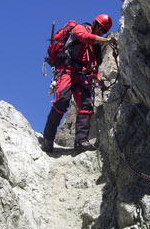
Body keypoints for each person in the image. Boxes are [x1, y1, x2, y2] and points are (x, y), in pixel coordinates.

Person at [42, 14, 117, 153]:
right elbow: (84, 37)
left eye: (104, 31)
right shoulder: (80, 28)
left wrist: (100, 82)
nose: (101, 32)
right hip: (67, 69)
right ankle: (48, 138)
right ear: (95, 24)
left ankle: (81, 141)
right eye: (100, 28)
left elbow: (93, 67)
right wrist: (106, 40)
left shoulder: (95, 48)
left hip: (82, 75)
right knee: (62, 100)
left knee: (86, 105)